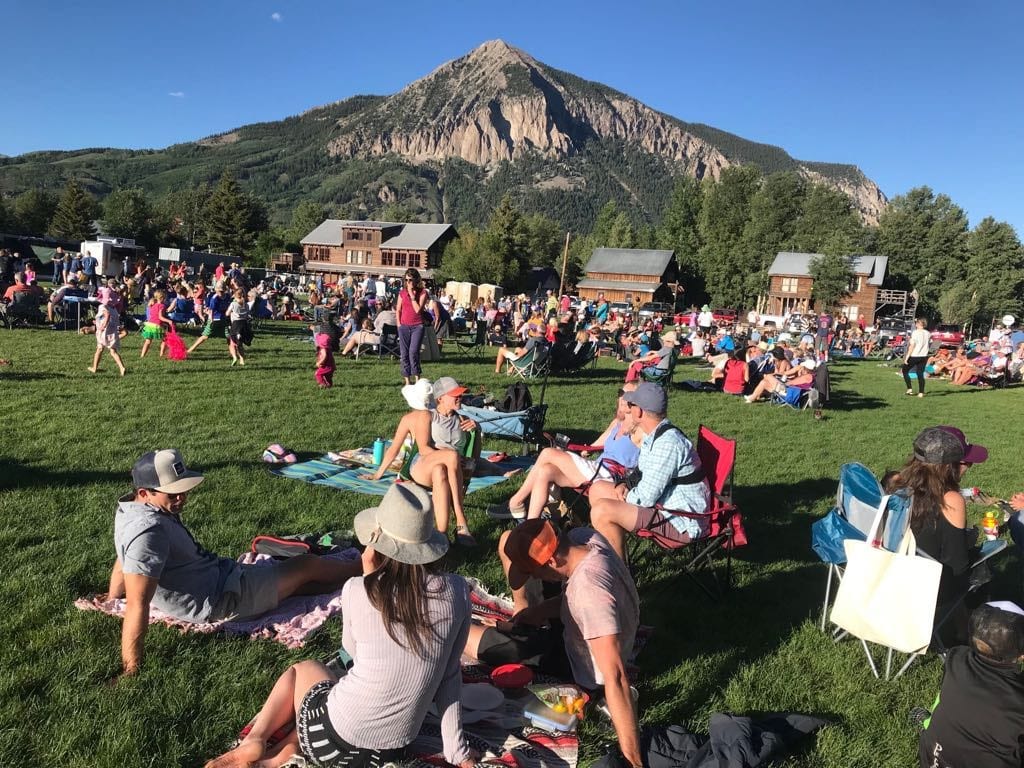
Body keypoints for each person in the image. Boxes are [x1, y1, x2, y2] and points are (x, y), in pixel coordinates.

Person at [204, 484, 477, 768]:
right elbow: (449, 674)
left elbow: (352, 654)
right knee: (338, 699)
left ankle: (257, 739)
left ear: (376, 542)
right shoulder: (457, 591)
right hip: (389, 752)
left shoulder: (358, 590)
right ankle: (282, 753)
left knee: (303, 670)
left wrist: (368, 576)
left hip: (330, 741)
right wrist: (459, 753)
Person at [106, 450, 361, 677]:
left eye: (183, 490)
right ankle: (367, 568)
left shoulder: (132, 509)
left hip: (218, 580)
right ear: (144, 493)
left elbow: (124, 559)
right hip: (219, 599)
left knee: (301, 584)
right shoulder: (148, 533)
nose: (182, 498)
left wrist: (112, 597)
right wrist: (131, 669)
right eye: (173, 494)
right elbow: (138, 603)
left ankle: (355, 580)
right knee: (306, 566)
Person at [463, 520, 642, 768]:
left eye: (533, 572)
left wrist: (633, 760)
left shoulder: (588, 594)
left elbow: (616, 677)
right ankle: (525, 612)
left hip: (580, 663)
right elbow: (570, 597)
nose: (533, 577)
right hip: (590, 626)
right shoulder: (584, 538)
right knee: (506, 539)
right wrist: (540, 611)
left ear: (551, 562)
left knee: (472, 638)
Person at [587, 383, 711, 560]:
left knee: (602, 510)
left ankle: (620, 577)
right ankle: (614, 553)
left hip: (681, 520)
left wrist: (625, 495)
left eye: (632, 406)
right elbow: (641, 470)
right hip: (663, 503)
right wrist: (626, 484)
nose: (629, 410)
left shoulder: (667, 444)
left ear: (639, 412)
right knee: (598, 489)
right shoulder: (655, 433)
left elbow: (645, 498)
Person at [488, 383, 642, 521]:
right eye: (621, 392)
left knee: (548, 453)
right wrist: (577, 452)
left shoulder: (641, 430)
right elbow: (593, 447)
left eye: (628, 395)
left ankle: (516, 502)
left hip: (610, 478)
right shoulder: (617, 423)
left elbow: (650, 459)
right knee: (546, 470)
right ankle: (531, 525)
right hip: (595, 469)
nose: (622, 398)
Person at [886, 427, 977, 645]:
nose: (969, 467)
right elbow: (958, 565)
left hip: (888, 574)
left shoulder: (897, 484)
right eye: (966, 462)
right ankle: (966, 633)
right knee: (980, 570)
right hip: (926, 586)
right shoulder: (951, 499)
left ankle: (962, 629)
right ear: (949, 466)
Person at [362, 378, 477, 545]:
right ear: (439, 398)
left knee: (440, 470)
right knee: (450, 457)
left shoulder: (461, 419)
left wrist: (477, 430)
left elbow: (474, 453)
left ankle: (442, 536)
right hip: (423, 464)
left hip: (445, 468)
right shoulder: (423, 416)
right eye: (455, 395)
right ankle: (460, 519)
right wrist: (377, 474)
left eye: (460, 395)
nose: (460, 398)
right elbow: (418, 449)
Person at [917, 601, 1024, 768]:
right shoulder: (1019, 700)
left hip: (931, 759)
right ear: (1021, 655)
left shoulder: (956, 658)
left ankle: (927, 722)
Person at [396, 268, 428, 385]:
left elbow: (417, 310)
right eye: (406, 280)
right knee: (404, 354)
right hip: (404, 326)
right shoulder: (402, 293)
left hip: (417, 326)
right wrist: (399, 324)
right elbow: (398, 309)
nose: (408, 282)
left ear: (416, 279)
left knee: (413, 352)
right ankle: (407, 381)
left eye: (411, 279)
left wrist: (412, 296)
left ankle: (417, 379)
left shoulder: (423, 292)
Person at [88, 293, 127, 376]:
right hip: (113, 330)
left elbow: (107, 315)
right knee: (113, 351)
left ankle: (94, 368)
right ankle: (121, 367)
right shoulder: (114, 309)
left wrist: (103, 325)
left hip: (104, 331)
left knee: (99, 349)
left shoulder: (102, 306)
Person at [140, 289, 174, 359]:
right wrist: (168, 321)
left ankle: (142, 356)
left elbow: (154, 316)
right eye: (164, 298)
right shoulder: (162, 306)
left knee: (148, 341)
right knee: (165, 339)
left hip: (149, 325)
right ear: (161, 298)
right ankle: (161, 354)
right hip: (156, 326)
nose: (165, 300)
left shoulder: (152, 305)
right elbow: (160, 317)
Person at [903, 318, 931, 397]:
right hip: (924, 356)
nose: (915, 324)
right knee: (920, 374)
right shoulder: (928, 333)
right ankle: (921, 392)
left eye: (916, 323)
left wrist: (907, 357)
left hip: (915, 355)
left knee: (905, 370)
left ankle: (909, 389)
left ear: (919, 324)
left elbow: (912, 345)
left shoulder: (915, 333)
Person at [226, 288, 251, 366]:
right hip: (243, 324)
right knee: (240, 343)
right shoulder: (246, 304)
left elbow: (227, 313)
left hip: (235, 324)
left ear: (235, 295)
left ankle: (234, 357)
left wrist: (232, 313)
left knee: (232, 342)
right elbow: (247, 315)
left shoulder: (233, 304)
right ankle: (242, 359)